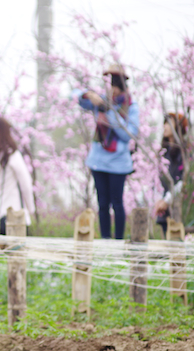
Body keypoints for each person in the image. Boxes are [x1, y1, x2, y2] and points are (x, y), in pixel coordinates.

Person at [77, 64, 139, 239]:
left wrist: (110, 112)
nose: (112, 89)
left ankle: (118, 241)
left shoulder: (131, 106)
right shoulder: (102, 101)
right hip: (99, 161)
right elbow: (78, 98)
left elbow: (128, 135)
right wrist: (89, 94)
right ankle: (105, 240)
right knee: (102, 203)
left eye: (115, 86)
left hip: (118, 163)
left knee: (117, 203)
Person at [155, 113, 188, 237]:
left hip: (178, 204)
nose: (165, 126)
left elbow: (183, 180)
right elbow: (158, 180)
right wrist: (159, 200)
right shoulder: (163, 152)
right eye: (164, 123)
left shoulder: (185, 152)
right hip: (163, 205)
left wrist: (167, 200)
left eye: (169, 123)